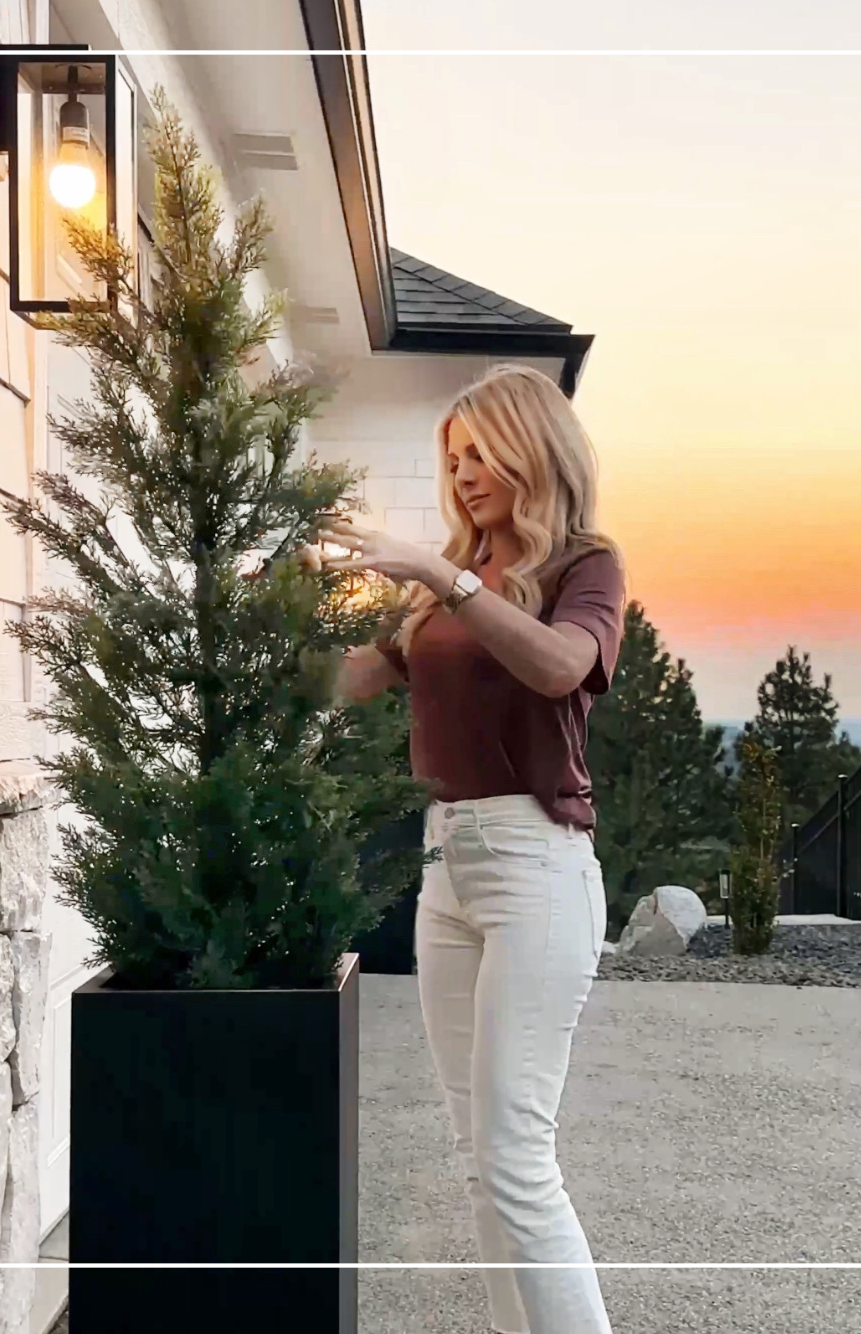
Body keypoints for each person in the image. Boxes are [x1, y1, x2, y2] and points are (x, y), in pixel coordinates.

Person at [321, 363, 626, 1334]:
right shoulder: (447, 589)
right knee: (475, 1152)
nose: (463, 475)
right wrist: (273, 614)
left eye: (480, 453)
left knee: (516, 1155)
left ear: (533, 446)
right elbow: (351, 683)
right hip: (444, 864)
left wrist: (442, 578)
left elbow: (563, 667)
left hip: (536, 865)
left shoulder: (584, 565)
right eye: (452, 460)